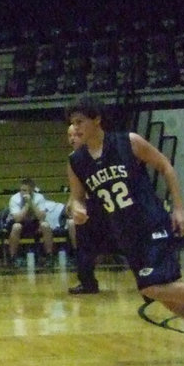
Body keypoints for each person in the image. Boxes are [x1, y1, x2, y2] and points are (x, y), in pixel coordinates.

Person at [66, 97, 184, 361]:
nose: (75, 128)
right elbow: (76, 197)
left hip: (151, 222)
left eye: (79, 122)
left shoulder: (128, 142)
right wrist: (76, 209)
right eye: (72, 123)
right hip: (125, 234)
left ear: (96, 119)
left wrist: (179, 208)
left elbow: (166, 167)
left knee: (149, 286)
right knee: (170, 296)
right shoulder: (77, 161)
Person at [66, 122, 111, 294]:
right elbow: (76, 190)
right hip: (88, 210)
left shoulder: (101, 153)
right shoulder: (74, 159)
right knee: (84, 248)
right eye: (70, 135)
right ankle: (87, 283)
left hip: (109, 206)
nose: (73, 139)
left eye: (76, 135)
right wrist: (73, 204)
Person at [6, 177, 55, 266]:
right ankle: (13, 257)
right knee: (16, 227)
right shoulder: (14, 199)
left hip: (33, 222)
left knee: (45, 225)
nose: (22, 193)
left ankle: (49, 256)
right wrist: (27, 205)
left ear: (32, 190)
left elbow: (41, 217)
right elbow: (17, 219)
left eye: (25, 190)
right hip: (19, 223)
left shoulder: (39, 198)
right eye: (21, 190)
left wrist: (31, 203)